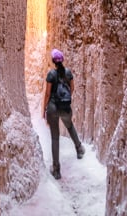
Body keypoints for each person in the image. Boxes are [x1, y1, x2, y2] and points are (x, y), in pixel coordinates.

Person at [42, 48, 85, 179]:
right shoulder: (68, 73)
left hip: (53, 108)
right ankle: (79, 149)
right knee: (70, 126)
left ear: (53, 61)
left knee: (55, 138)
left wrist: (44, 109)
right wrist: (65, 100)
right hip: (65, 108)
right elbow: (72, 88)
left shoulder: (51, 74)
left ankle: (56, 169)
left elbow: (48, 93)